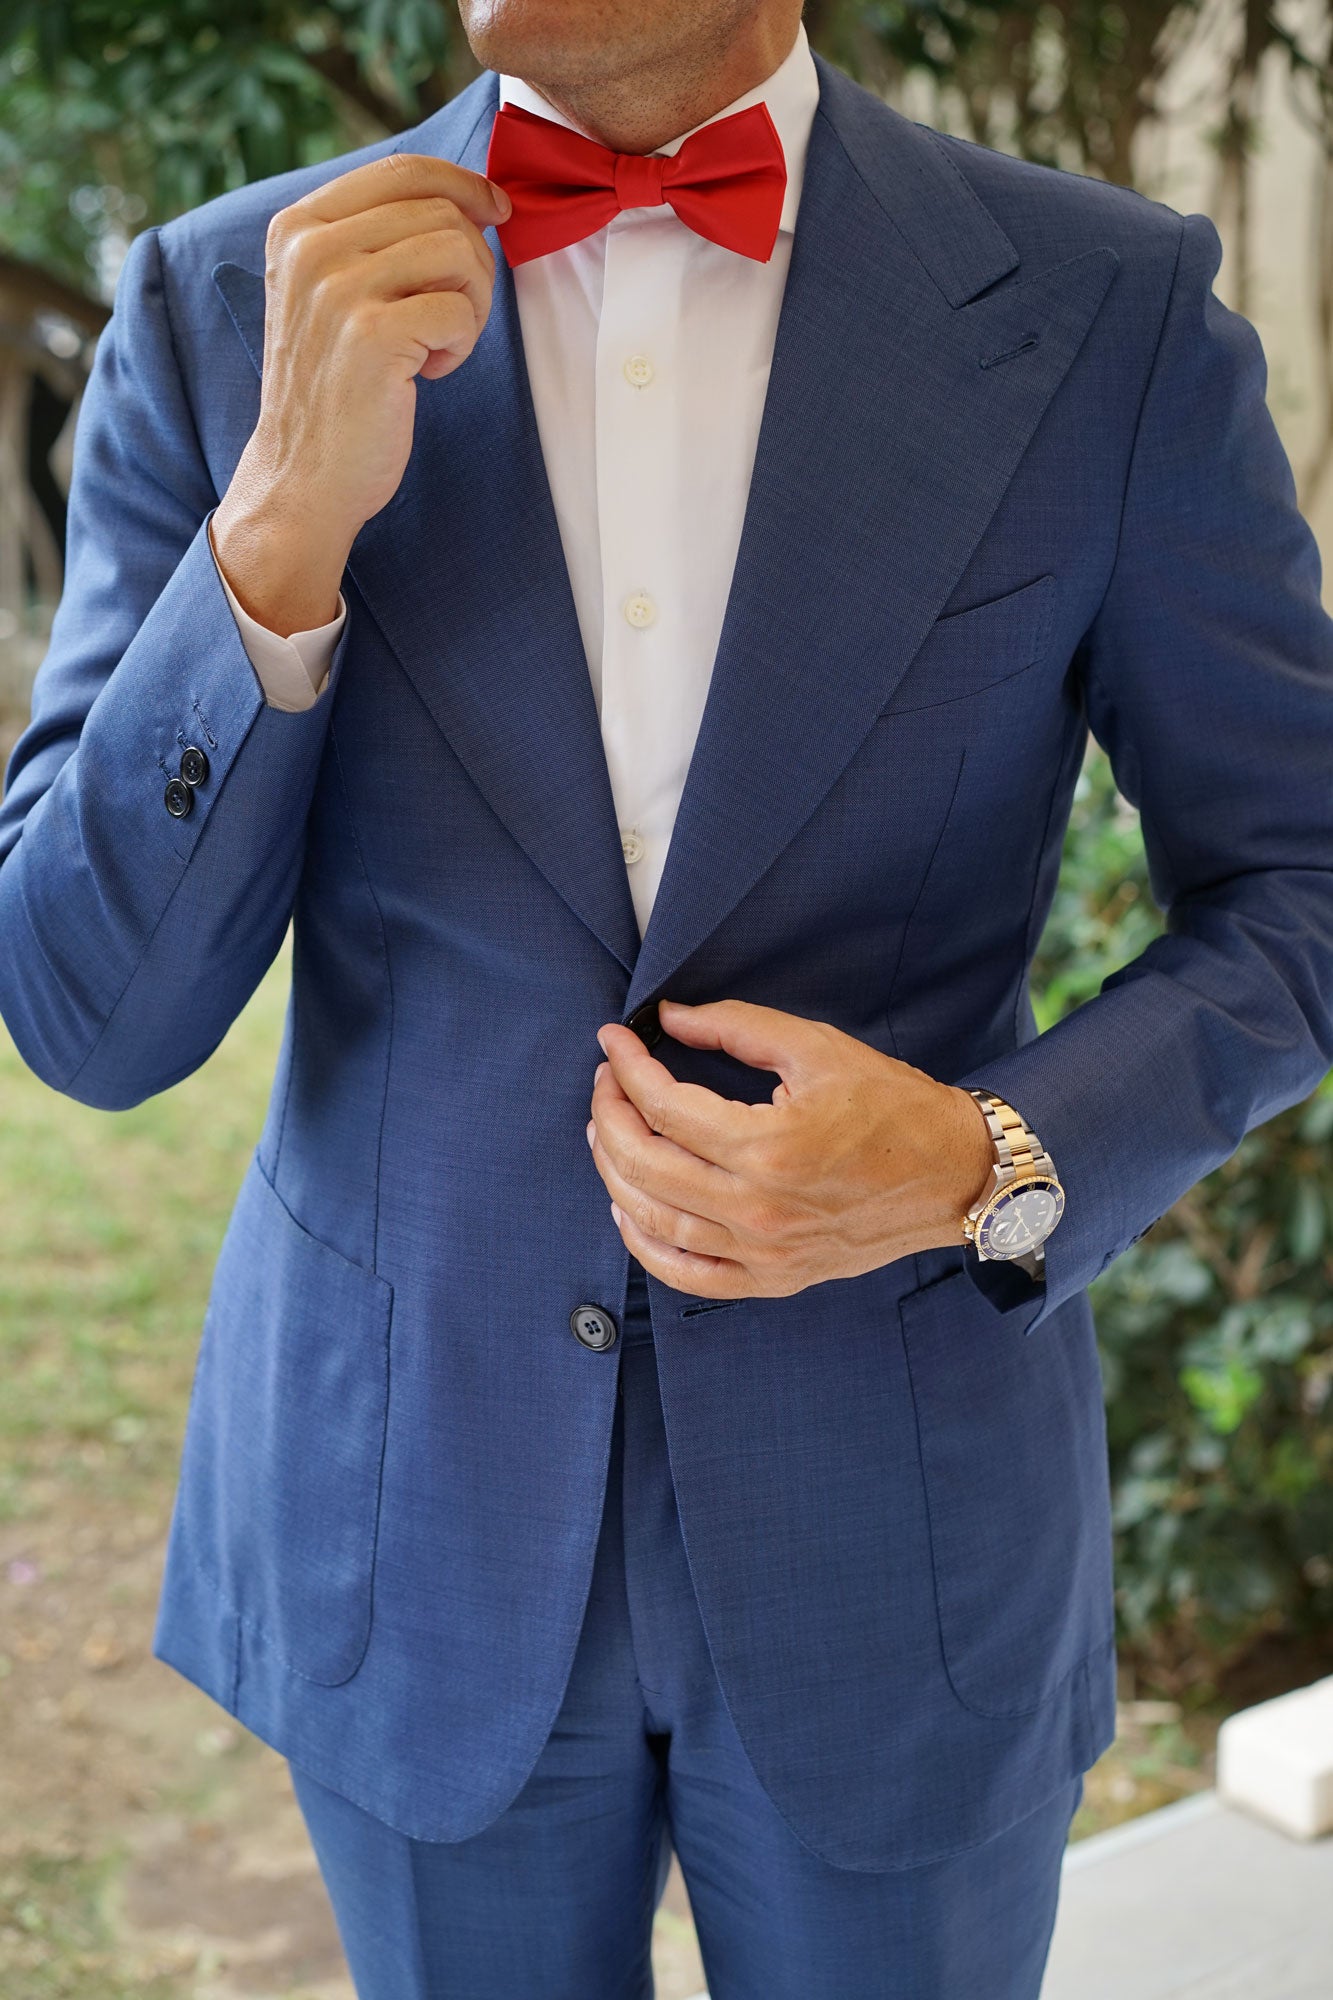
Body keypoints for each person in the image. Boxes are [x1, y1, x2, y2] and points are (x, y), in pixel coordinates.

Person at [3, 0, 1332, 1992]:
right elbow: (89, 1018)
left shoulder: (1099, 311)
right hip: (412, 1516)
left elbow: (1299, 880)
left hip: (899, 1543)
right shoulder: (222, 309)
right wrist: (273, 539)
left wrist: (993, 1158)